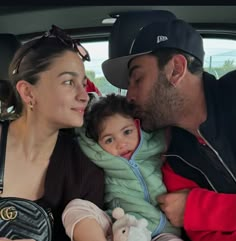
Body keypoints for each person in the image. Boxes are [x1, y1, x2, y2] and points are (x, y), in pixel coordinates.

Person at [101, 17, 236, 241]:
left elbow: (193, 216)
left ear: (176, 69)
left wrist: (197, 208)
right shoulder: (170, 154)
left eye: (137, 79)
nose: (129, 96)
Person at [0, 25, 105, 241]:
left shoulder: (84, 169)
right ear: (28, 92)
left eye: (84, 85)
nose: (84, 96)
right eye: (68, 82)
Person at [63, 93, 183, 241]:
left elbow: (169, 120)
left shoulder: (156, 144)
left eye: (127, 132)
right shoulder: (101, 156)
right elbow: (82, 134)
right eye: (109, 140)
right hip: (119, 224)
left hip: (162, 231)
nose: (121, 144)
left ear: (138, 126)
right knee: (76, 208)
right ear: (98, 143)